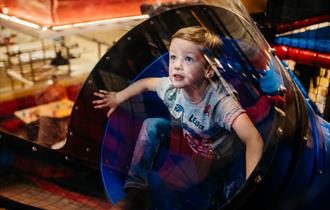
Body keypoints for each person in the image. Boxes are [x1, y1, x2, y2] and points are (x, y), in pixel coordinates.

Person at [93, 26, 264, 210]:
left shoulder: (219, 102)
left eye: (188, 59)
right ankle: (136, 192)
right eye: (173, 57)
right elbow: (145, 84)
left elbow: (254, 139)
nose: (177, 65)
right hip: (189, 140)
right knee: (153, 125)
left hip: (219, 158)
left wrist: (250, 186)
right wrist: (118, 97)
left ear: (208, 69)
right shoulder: (171, 88)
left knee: (212, 198)